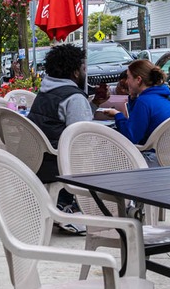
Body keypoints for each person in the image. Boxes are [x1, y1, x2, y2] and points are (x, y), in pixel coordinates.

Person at [27, 43, 109, 234]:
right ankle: (73, 207)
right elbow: (81, 138)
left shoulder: (46, 91)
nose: (85, 72)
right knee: (107, 157)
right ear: (74, 72)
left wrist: (95, 103)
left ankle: (64, 202)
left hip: (39, 159)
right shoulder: (73, 97)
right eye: (83, 68)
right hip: (59, 165)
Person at [99, 59, 170, 155]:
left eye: (128, 77)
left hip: (159, 159)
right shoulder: (166, 95)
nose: (126, 82)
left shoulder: (144, 101)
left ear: (138, 80)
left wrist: (117, 115)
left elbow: (131, 136)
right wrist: (133, 98)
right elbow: (137, 122)